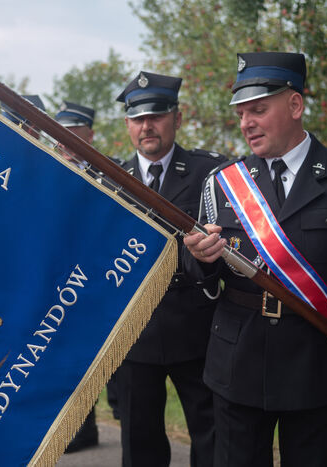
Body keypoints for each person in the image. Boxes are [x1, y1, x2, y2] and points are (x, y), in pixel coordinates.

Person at [182, 52, 327, 466]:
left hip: (316, 362)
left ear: (295, 105)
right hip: (237, 362)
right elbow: (200, 273)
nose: (246, 123)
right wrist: (201, 259)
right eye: (241, 113)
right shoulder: (222, 183)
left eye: (258, 110)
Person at [113, 71, 223, 467]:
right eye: (138, 119)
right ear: (128, 125)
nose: (147, 126)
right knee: (139, 436)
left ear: (177, 118)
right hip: (134, 328)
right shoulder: (108, 177)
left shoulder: (210, 172)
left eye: (157, 116)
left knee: (209, 432)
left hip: (196, 325)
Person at [51, 100, 102, 453]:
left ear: (89, 135)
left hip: (93, 278)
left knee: (88, 358)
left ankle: (87, 428)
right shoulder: (47, 172)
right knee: (59, 358)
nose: (63, 140)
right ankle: (71, 428)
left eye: (71, 133)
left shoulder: (106, 175)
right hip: (56, 279)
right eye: (59, 133)